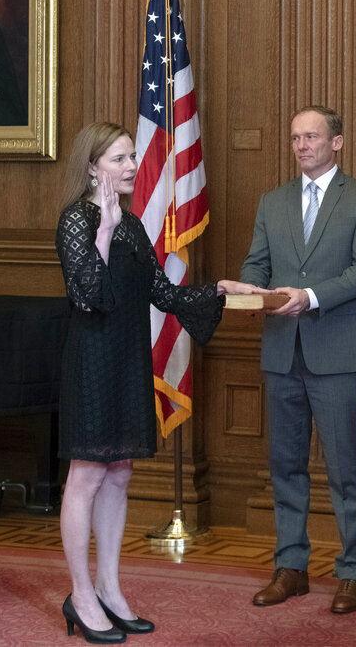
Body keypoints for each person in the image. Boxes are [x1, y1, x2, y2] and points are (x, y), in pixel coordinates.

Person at [55, 122, 261, 644]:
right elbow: (89, 296)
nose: (130, 167)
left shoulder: (133, 225)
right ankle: (80, 595)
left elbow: (162, 294)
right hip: (92, 360)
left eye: (131, 157)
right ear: (92, 167)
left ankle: (110, 588)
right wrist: (102, 228)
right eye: (120, 159)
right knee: (87, 473)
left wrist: (217, 289)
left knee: (119, 472)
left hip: (127, 357)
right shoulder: (77, 220)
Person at [238, 105, 356, 614]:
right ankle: (291, 569)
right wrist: (247, 288)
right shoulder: (272, 202)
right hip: (282, 351)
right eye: (296, 138)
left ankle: (350, 573)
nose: (302, 146)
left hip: (338, 353)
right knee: (284, 466)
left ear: (337, 143)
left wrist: (310, 295)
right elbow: (257, 263)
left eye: (312, 137)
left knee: (345, 469)